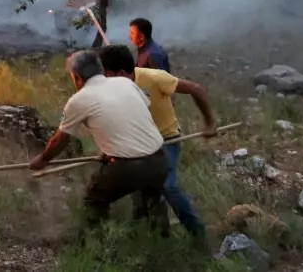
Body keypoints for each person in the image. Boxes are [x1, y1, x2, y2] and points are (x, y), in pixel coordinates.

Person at [29, 50, 170, 230]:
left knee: (93, 200)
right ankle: (161, 243)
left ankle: (98, 249)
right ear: (100, 69)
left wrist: (43, 160)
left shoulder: (78, 100)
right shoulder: (126, 83)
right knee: (153, 198)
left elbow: (59, 140)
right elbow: (132, 115)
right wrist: (112, 150)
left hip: (127, 168)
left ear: (77, 77)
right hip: (159, 161)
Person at [97, 45, 216, 243]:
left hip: (167, 140)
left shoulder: (154, 78)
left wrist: (210, 123)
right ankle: (159, 238)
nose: (106, 79)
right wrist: (109, 150)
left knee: (167, 185)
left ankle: (199, 235)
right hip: (137, 144)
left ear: (121, 73)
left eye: (108, 75)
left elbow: (196, 89)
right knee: (140, 189)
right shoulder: (112, 89)